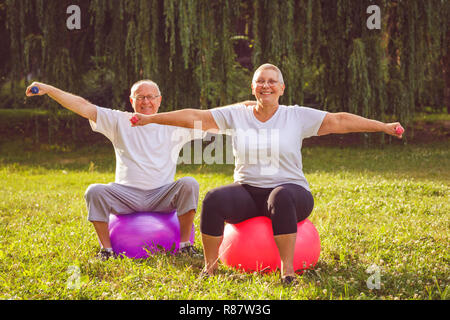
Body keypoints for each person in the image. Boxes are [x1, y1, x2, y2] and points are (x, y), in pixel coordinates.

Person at [129, 63, 404, 284]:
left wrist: (382, 126)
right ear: (253, 88)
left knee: (280, 196)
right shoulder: (237, 115)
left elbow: (339, 120)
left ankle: (287, 272)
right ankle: (209, 268)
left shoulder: (296, 116)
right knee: (213, 198)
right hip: (248, 191)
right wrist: (152, 118)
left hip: (292, 192)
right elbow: (194, 116)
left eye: (272, 81)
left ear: (282, 88)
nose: (266, 85)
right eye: (261, 81)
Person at [25, 80, 207, 260]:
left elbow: (203, 121)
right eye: (140, 97)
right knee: (94, 191)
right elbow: (83, 107)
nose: (146, 102)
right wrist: (49, 89)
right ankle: (106, 250)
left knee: (189, 183)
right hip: (126, 196)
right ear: (131, 101)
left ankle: (185, 247)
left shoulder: (172, 124)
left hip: (162, 195)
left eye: (151, 97)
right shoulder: (119, 120)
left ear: (159, 100)